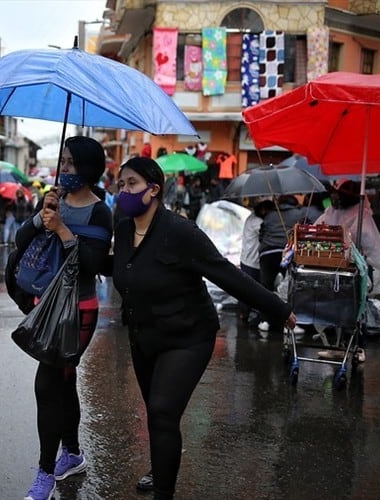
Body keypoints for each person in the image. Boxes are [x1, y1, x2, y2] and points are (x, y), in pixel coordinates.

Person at [109, 157, 296, 499]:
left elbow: (225, 274)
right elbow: (117, 268)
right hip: (144, 335)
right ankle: (161, 467)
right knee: (157, 414)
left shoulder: (181, 232)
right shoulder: (123, 230)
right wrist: (62, 233)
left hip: (188, 336)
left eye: (132, 184)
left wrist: (279, 309)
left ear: (154, 189)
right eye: (121, 185)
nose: (124, 192)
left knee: (163, 411)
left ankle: (164, 492)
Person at [17, 136, 113, 500]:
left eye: (71, 162)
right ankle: (71, 453)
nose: (65, 168)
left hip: (77, 310)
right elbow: (21, 241)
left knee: (47, 385)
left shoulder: (99, 212)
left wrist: (61, 229)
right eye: (63, 161)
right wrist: (42, 215)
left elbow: (93, 263)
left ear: (87, 167)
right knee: (64, 380)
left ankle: (45, 473)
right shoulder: (54, 200)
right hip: (46, 305)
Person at [314, 179, 380, 360]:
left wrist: (351, 240)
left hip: (357, 270)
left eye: (337, 195)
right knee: (336, 310)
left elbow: (368, 241)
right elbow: (320, 226)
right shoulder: (333, 211)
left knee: (356, 311)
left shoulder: (361, 215)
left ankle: (358, 348)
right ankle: (337, 346)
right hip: (337, 268)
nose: (334, 199)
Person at [257, 194, 307, 335]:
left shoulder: (270, 215)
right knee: (289, 289)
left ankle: (265, 321)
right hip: (287, 253)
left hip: (267, 253)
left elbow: (261, 234)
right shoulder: (299, 214)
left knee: (266, 287)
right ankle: (289, 323)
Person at [239, 199, 276, 327]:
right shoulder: (257, 222)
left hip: (247, 259)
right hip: (252, 261)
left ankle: (245, 314)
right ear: (263, 210)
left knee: (246, 289)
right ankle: (248, 315)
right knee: (250, 290)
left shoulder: (251, 218)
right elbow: (266, 233)